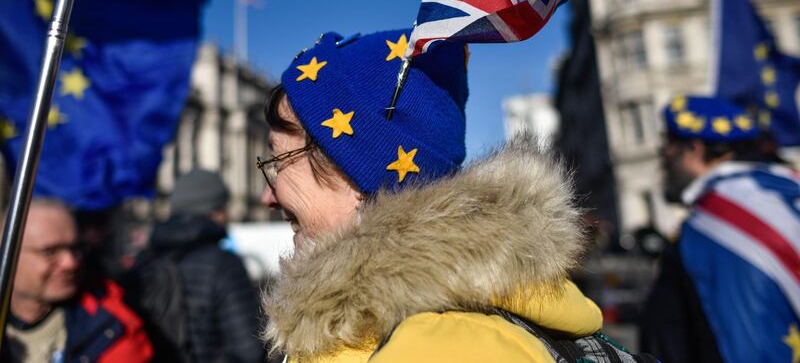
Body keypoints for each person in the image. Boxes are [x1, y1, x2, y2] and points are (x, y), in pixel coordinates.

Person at [257, 30, 615, 362]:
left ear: (355, 170)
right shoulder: (402, 325)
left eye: (277, 160)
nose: (267, 196)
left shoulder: (443, 347)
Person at [640, 95, 800, 363]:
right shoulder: (789, 189)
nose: (662, 159)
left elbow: (669, 340)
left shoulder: (710, 224)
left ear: (694, 149)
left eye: (667, 147)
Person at [128, 169, 266, 362]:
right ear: (214, 212)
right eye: (224, 208)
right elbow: (250, 351)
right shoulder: (223, 265)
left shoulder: (144, 262)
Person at [4, 198, 152, 362]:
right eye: (50, 252)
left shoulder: (111, 329)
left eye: (75, 248)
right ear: (7, 254)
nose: (71, 263)